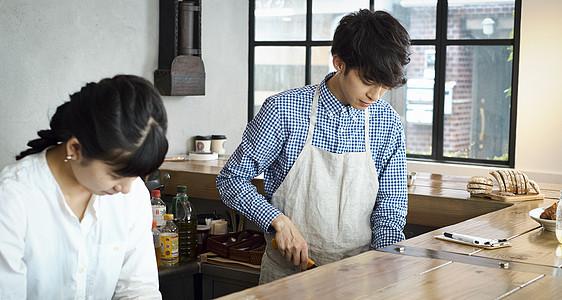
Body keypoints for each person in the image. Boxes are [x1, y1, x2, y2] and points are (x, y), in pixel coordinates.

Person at [216, 9, 411, 283]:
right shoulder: (283, 110)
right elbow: (231, 180)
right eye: (367, 82)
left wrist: (386, 263)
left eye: (384, 86)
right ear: (339, 62)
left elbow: (390, 208)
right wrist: (276, 221)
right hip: (288, 277)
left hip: (358, 278)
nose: (375, 95)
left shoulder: (387, 122)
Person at [0, 75, 168, 299]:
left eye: (135, 174)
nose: (126, 188)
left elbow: (138, 289)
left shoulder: (132, 194)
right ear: (75, 149)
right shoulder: (13, 198)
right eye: (116, 174)